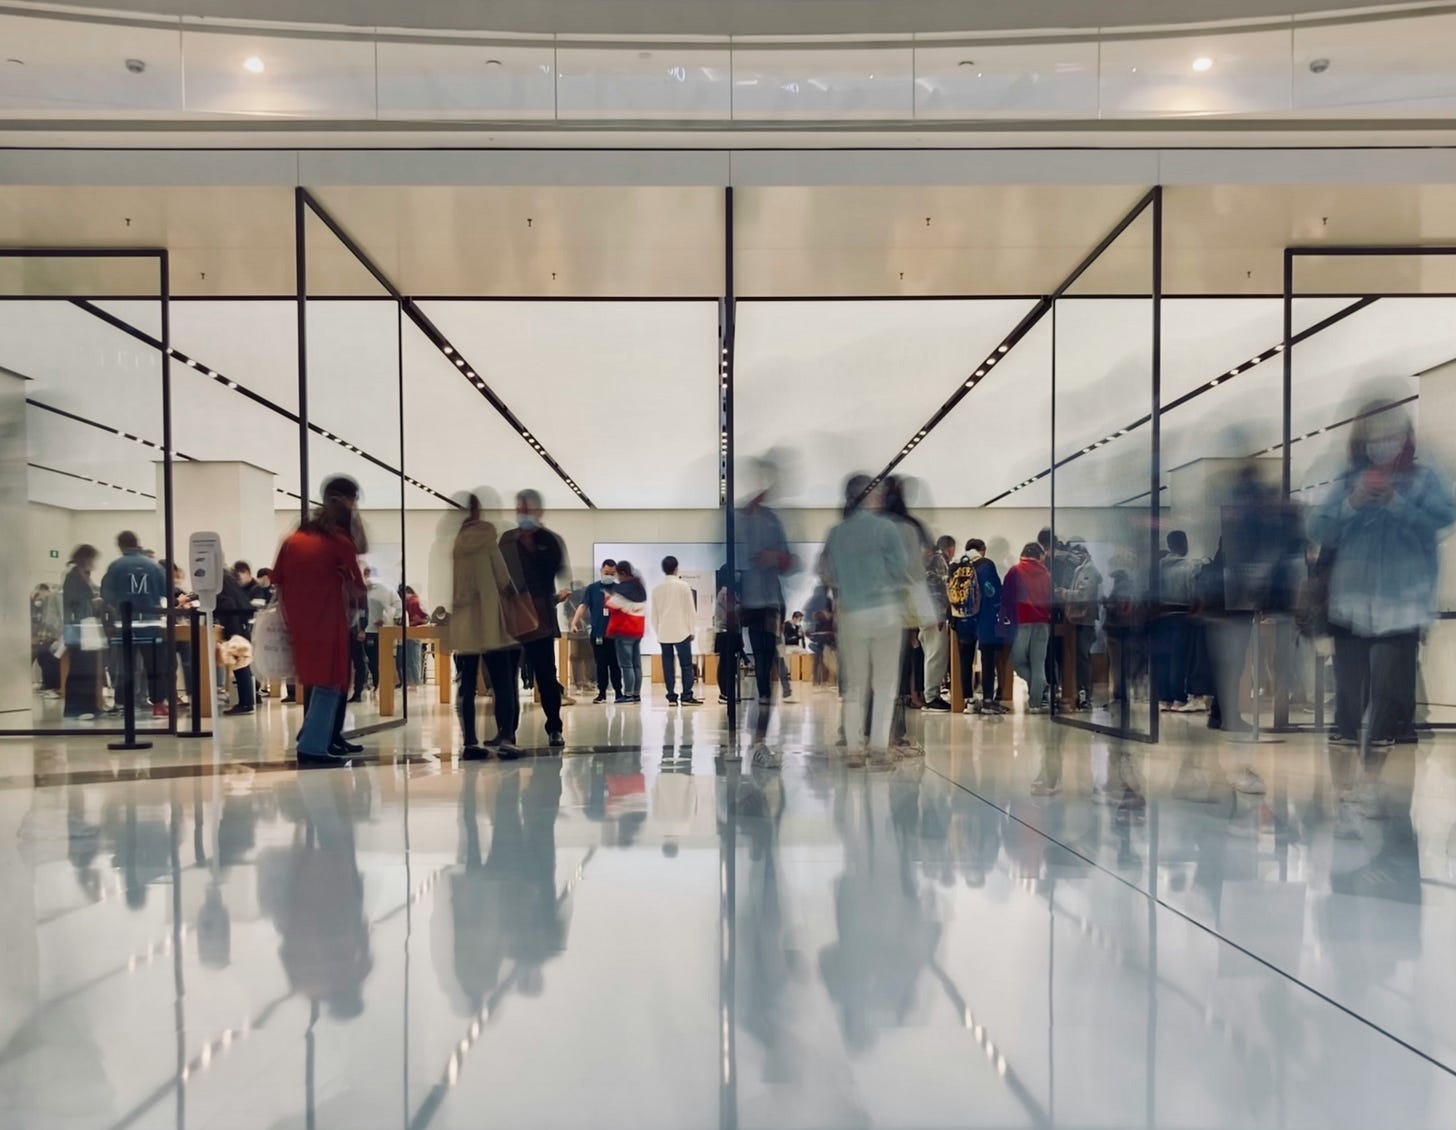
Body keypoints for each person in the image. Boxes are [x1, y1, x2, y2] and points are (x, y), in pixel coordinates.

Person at [1310, 403, 1454, 818]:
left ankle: (1369, 783)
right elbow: (1320, 528)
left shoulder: (1425, 480)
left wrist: (1395, 502)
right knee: (1350, 701)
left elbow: (1443, 519)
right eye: (1374, 436)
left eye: (1391, 435)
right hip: (1350, 606)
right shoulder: (1348, 481)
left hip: (1402, 607)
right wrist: (1354, 501)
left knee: (1387, 697)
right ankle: (1348, 785)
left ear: (1406, 438)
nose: (1382, 444)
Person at [822, 475, 932, 770]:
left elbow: (826, 573)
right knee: (885, 683)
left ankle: (855, 750)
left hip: (851, 613)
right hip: (884, 612)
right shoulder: (886, 528)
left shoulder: (837, 533)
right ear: (869, 496)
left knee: (855, 685)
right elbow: (903, 570)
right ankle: (880, 749)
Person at [271, 476, 368, 765]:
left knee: (314, 678)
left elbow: (277, 580)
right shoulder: (339, 542)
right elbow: (358, 586)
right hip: (328, 618)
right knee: (331, 678)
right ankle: (314, 745)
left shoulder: (292, 541)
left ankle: (318, 738)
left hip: (299, 620)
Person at [450, 494, 523, 759]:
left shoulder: (454, 543)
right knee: (502, 681)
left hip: (464, 620)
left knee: (466, 684)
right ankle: (506, 738)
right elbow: (503, 578)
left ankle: (470, 742)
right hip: (491, 618)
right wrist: (517, 600)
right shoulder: (487, 538)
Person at [498, 489, 572, 749]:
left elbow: (556, 572)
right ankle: (507, 731)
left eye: (528, 509)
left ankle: (554, 727)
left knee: (546, 675)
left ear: (538, 511)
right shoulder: (507, 540)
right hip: (512, 620)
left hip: (540, 618)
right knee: (507, 677)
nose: (523, 514)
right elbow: (498, 576)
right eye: (520, 509)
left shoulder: (550, 541)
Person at [736, 456, 794, 753]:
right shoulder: (735, 519)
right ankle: (742, 729)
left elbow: (788, 560)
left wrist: (774, 558)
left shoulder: (772, 520)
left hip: (767, 604)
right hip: (740, 606)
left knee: (764, 666)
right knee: (740, 662)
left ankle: (759, 734)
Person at [99, 530, 169, 718]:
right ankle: (158, 704)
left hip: (125, 624)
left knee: (125, 666)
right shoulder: (154, 566)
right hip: (151, 622)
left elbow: (106, 595)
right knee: (154, 666)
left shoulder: (116, 566)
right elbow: (166, 591)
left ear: (121, 546)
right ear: (137, 543)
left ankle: (123, 704)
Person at [1005, 542, 1052, 713]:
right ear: (1038, 556)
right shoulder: (1046, 574)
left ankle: (1039, 689)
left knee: (1017, 662)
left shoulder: (1014, 571)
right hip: (1042, 623)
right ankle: (1036, 702)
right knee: (1038, 663)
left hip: (1022, 622)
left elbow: (1007, 599)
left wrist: (1004, 621)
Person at [1154, 530, 1197, 712]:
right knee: (1179, 659)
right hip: (1181, 615)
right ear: (1183, 544)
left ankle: (1164, 698)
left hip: (1161, 616)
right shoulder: (1189, 567)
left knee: (1163, 657)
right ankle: (1179, 697)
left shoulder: (1158, 567)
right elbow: (1192, 593)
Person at [570, 560, 623, 704]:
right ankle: (602, 693)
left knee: (615, 664)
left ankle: (619, 692)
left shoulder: (619, 589)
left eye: (612, 573)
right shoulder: (592, 589)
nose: (609, 576)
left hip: (616, 635)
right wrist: (574, 622)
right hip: (598, 633)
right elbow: (583, 606)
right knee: (600, 664)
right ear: (601, 571)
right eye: (607, 573)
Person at [1059, 540, 1102, 711]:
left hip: (1085, 621)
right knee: (1078, 658)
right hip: (1077, 621)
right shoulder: (1081, 569)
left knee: (1083, 658)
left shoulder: (1089, 570)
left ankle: (1085, 695)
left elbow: (1083, 595)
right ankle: (1081, 693)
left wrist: (1064, 593)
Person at [651, 555, 700, 706]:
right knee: (686, 665)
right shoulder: (684, 586)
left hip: (664, 632)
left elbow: (654, 614)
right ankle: (686, 695)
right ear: (676, 568)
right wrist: (692, 630)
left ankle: (671, 696)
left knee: (668, 665)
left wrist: (658, 631)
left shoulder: (656, 589)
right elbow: (690, 611)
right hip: (682, 631)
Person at [61, 545, 102, 721]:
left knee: (89, 667)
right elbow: (75, 603)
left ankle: (89, 705)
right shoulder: (73, 578)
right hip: (79, 629)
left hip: (86, 628)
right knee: (80, 667)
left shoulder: (83, 577)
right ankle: (77, 707)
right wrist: (94, 604)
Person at [214, 564, 257, 716]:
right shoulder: (228, 577)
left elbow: (226, 603)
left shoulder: (220, 581)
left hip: (234, 627)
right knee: (242, 665)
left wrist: (231, 633)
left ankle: (246, 704)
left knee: (240, 666)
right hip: (240, 625)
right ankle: (248, 701)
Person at [605, 560, 647, 704]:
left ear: (622, 573)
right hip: (638, 629)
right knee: (636, 664)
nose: (616, 576)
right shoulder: (640, 587)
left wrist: (607, 597)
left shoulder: (623, 589)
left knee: (626, 664)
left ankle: (628, 694)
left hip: (624, 630)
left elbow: (612, 605)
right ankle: (636, 694)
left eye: (617, 573)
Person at [923, 535, 956, 712]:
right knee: (936, 655)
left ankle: (930, 694)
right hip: (934, 616)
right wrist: (940, 615)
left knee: (931, 655)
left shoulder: (928, 561)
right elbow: (941, 589)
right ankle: (931, 698)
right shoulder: (938, 560)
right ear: (950, 549)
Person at [362, 567, 400, 695]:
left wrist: (386, 620)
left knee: (379, 660)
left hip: (379, 632)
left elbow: (398, 608)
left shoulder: (386, 590)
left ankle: (379, 684)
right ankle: (375, 684)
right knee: (371, 660)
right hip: (367, 631)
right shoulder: (362, 590)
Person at [30, 583, 62, 699]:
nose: (39, 599)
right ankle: (48, 685)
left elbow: (54, 621)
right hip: (41, 637)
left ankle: (52, 686)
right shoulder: (39, 605)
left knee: (48, 661)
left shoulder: (52, 600)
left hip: (50, 637)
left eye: (39, 595)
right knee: (43, 660)